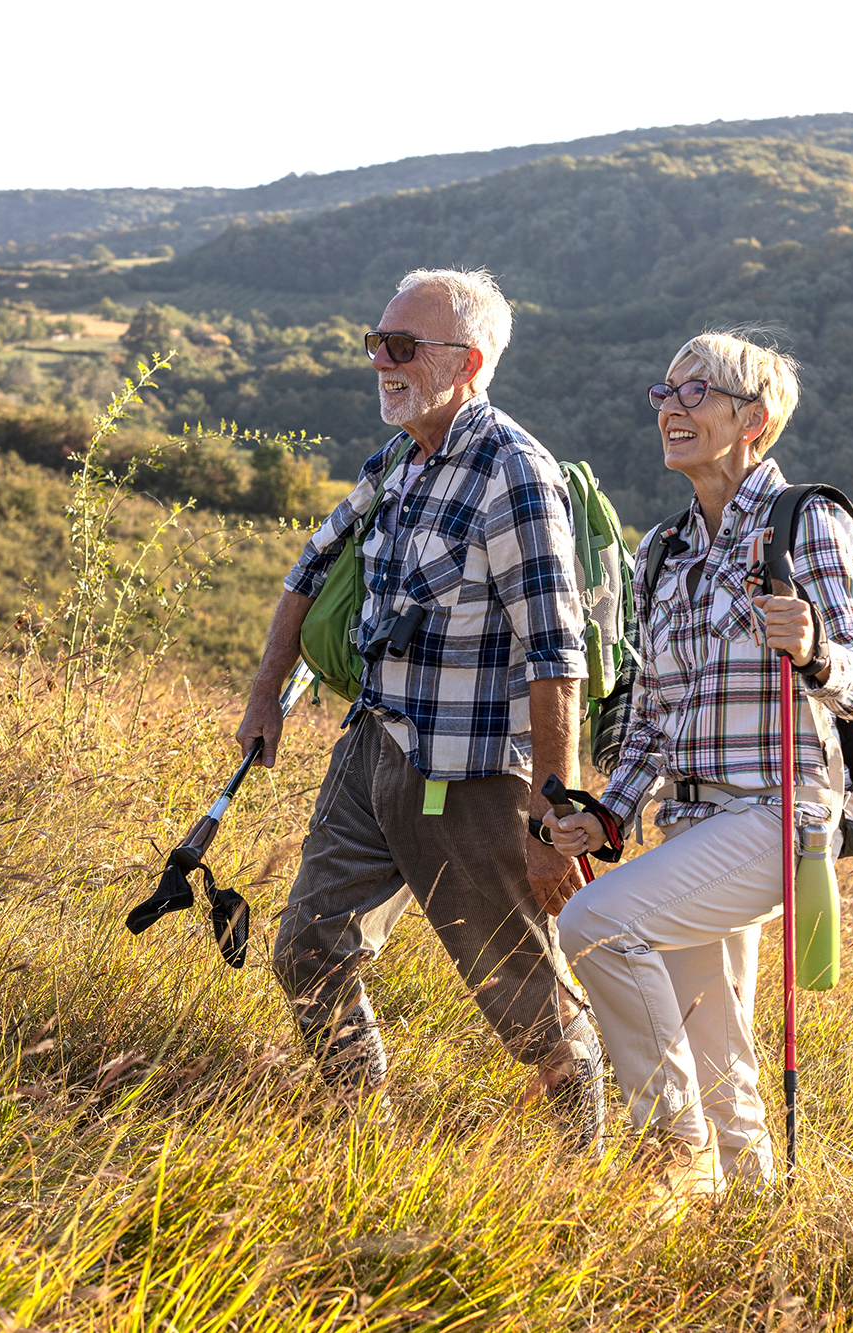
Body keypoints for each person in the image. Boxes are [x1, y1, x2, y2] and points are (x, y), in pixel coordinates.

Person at [236, 268, 605, 1145]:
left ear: (467, 361)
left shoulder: (514, 474)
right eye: (376, 343)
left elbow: (558, 656)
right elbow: (310, 567)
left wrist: (553, 817)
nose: (381, 362)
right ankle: (357, 1134)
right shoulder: (401, 457)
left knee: (529, 1007)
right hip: (376, 748)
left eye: (401, 347)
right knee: (307, 949)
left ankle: (582, 1171)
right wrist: (264, 695)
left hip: (473, 779)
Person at [544, 328, 853, 1211]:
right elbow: (657, 715)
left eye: (697, 392)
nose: (671, 407)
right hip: (694, 825)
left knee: (595, 924)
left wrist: (815, 649)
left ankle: (671, 1148)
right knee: (712, 1037)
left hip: (781, 814)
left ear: (756, 418)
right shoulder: (662, 551)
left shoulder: (803, 521)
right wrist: (609, 814)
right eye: (664, 391)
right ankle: (749, 1224)